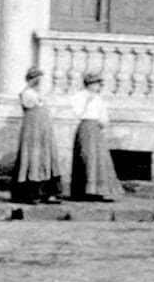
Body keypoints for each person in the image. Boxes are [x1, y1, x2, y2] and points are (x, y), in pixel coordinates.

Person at [67, 70, 121, 203]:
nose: (98, 87)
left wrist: (102, 122)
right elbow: (78, 113)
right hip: (86, 127)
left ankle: (98, 191)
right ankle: (82, 192)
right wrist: (87, 102)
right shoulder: (79, 96)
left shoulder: (98, 98)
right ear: (89, 84)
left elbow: (103, 116)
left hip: (96, 129)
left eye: (99, 84)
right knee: (86, 157)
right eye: (96, 84)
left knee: (100, 160)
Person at [10, 67, 61, 205]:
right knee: (32, 158)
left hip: (44, 131)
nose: (40, 83)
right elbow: (31, 106)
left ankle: (47, 193)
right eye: (37, 79)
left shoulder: (38, 94)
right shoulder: (27, 93)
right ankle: (29, 194)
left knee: (46, 158)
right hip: (33, 130)